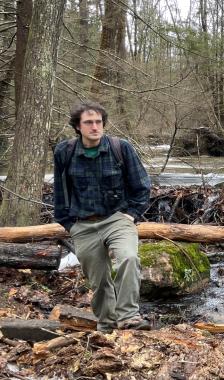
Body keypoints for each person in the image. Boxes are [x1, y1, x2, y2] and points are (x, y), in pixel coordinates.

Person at [53, 101, 152, 333]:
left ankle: (129, 317)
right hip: (83, 224)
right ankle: (107, 326)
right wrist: (69, 224)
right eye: (88, 122)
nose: (95, 127)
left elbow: (142, 186)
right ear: (78, 127)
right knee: (99, 281)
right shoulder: (65, 152)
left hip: (117, 218)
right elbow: (60, 191)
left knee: (128, 258)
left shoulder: (121, 148)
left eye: (98, 122)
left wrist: (132, 214)